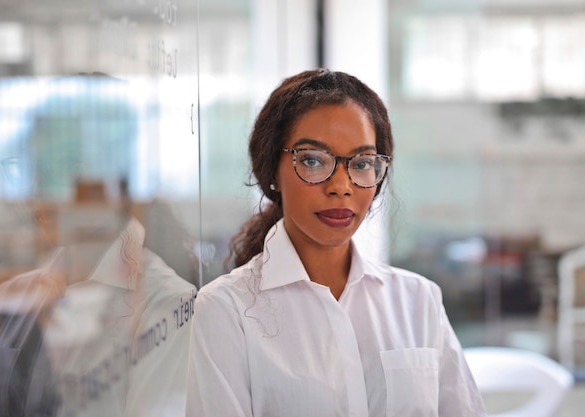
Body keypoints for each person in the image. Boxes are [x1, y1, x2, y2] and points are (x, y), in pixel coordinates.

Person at [185, 69, 486, 417]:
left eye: (361, 164)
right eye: (313, 160)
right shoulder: (227, 310)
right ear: (271, 171)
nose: (341, 186)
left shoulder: (418, 301)